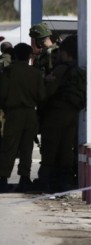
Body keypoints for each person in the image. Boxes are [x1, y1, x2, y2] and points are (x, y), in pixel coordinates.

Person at [33, 35, 86, 192]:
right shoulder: (79, 70)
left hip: (56, 113)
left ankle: (45, 180)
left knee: (50, 147)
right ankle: (65, 181)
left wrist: (45, 81)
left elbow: (47, 93)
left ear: (67, 53)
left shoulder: (61, 69)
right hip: (73, 114)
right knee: (66, 149)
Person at [0, 43, 46, 192]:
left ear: (15, 55)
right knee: (27, 148)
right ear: (29, 56)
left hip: (13, 113)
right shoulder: (35, 73)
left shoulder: (8, 72)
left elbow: (2, 94)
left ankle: (3, 179)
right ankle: (24, 179)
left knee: (9, 147)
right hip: (30, 113)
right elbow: (41, 96)